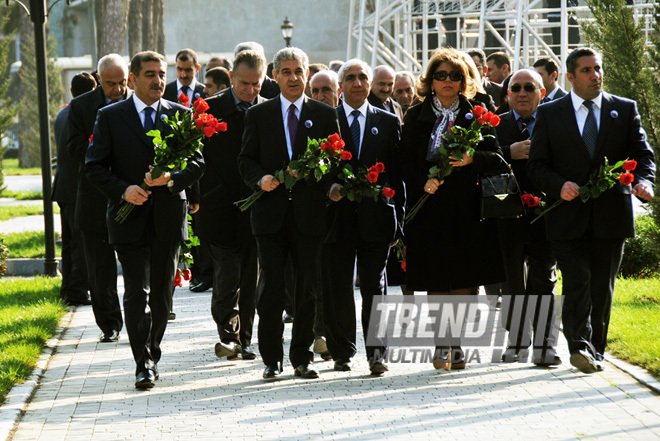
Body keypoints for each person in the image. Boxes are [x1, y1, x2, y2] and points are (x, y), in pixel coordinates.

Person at [527, 48, 655, 374]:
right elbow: (537, 166)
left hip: (612, 216)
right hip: (567, 217)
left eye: (598, 68)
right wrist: (558, 185)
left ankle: (596, 350)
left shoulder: (623, 110)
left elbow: (643, 155)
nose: (595, 75)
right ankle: (578, 345)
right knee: (577, 281)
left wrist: (643, 182)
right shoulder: (550, 113)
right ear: (570, 76)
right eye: (586, 70)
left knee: (602, 285)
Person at [85, 51, 205, 390]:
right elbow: (94, 166)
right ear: (133, 79)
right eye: (150, 74)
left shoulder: (180, 115)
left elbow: (197, 164)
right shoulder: (110, 117)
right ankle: (144, 363)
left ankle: (152, 349)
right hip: (128, 218)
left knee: (163, 296)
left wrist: (170, 178)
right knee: (136, 292)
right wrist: (124, 191)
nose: (158, 81)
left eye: (161, 74)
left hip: (168, 216)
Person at [400, 47, 506, 371]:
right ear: (431, 81)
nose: (448, 81)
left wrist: (474, 159)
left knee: (463, 277)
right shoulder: (415, 116)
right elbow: (403, 162)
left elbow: (498, 158)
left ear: (464, 81)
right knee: (435, 278)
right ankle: (440, 343)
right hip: (429, 207)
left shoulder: (477, 112)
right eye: (441, 75)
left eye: (455, 75)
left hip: (467, 208)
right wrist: (423, 182)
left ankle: (456, 344)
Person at [238, 47, 340, 380]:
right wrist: (261, 178)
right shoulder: (259, 114)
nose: (293, 77)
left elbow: (334, 160)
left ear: (306, 74)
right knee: (271, 288)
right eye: (286, 72)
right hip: (270, 216)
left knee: (308, 289)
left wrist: (320, 173)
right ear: (275, 76)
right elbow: (245, 160)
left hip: (309, 216)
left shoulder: (324, 115)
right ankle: (272, 357)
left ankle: (302, 357)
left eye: (299, 71)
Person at [322, 58, 405, 375]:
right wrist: (329, 188)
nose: (357, 83)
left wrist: (398, 218)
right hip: (337, 217)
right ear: (340, 86)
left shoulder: (387, 121)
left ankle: (378, 354)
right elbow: (317, 171)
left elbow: (397, 176)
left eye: (362, 78)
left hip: (377, 218)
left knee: (376, 287)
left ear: (370, 84)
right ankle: (341, 351)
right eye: (350, 78)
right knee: (338, 286)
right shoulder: (327, 121)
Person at [199, 50, 267, 362]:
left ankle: (245, 339)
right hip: (219, 206)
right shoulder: (210, 110)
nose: (250, 90)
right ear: (231, 78)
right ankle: (228, 333)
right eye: (243, 83)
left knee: (250, 278)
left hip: (258, 207)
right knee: (226, 274)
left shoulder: (269, 111)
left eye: (256, 84)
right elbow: (196, 159)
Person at [495, 69, 561, 366]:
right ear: (507, 94)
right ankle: (517, 342)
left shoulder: (555, 121)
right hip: (506, 217)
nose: (522, 93)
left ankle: (546, 345)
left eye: (529, 88)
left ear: (542, 92)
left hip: (546, 214)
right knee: (511, 282)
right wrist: (509, 152)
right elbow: (480, 159)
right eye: (516, 88)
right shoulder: (495, 124)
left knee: (543, 279)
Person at [67, 54, 130, 342]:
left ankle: (142, 316)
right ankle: (110, 324)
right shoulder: (81, 107)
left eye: (122, 82)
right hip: (95, 197)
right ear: (98, 79)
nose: (117, 89)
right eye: (110, 84)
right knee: (100, 269)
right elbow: (75, 147)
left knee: (136, 265)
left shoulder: (137, 102)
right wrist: (102, 148)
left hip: (133, 195)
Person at [52, 72, 96, 307]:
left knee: (69, 242)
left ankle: (68, 287)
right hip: (77, 187)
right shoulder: (81, 114)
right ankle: (77, 289)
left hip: (63, 186)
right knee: (79, 242)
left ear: (71, 91)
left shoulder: (63, 112)